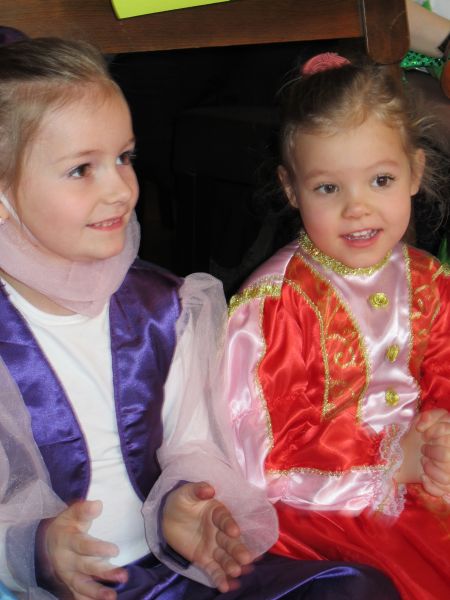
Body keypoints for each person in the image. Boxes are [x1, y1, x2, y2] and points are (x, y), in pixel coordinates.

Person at [0, 37, 401, 600]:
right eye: (81, 169)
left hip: (169, 576)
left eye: (124, 158)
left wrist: (181, 504)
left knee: (353, 588)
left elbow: (192, 441)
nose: (120, 189)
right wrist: (35, 550)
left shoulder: (166, 306)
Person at [225, 52, 450, 600]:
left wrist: (440, 433)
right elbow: (266, 456)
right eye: (329, 188)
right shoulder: (275, 305)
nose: (357, 208)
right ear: (291, 188)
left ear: (415, 172)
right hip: (322, 508)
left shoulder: (429, 280)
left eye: (380, 180)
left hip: (425, 475)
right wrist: (394, 462)